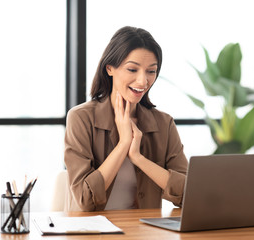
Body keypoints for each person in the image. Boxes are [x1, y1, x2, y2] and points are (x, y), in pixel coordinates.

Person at [64, 26, 188, 211]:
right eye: (132, 69)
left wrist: (138, 158)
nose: (143, 81)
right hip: (91, 233)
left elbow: (189, 194)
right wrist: (123, 144)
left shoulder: (164, 124)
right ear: (109, 68)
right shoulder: (81, 118)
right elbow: (85, 198)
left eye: (151, 71)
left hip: (142, 232)